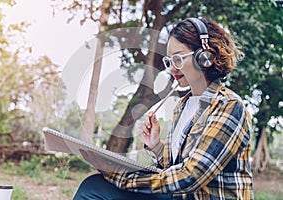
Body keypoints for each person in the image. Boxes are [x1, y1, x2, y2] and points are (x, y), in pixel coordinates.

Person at [74, 17, 253, 200]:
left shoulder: (229, 107)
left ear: (205, 57)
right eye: (169, 61)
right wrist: (156, 146)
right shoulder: (182, 106)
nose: (172, 69)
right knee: (93, 186)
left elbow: (189, 177)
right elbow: (174, 169)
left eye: (178, 59)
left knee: (97, 187)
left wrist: (119, 175)